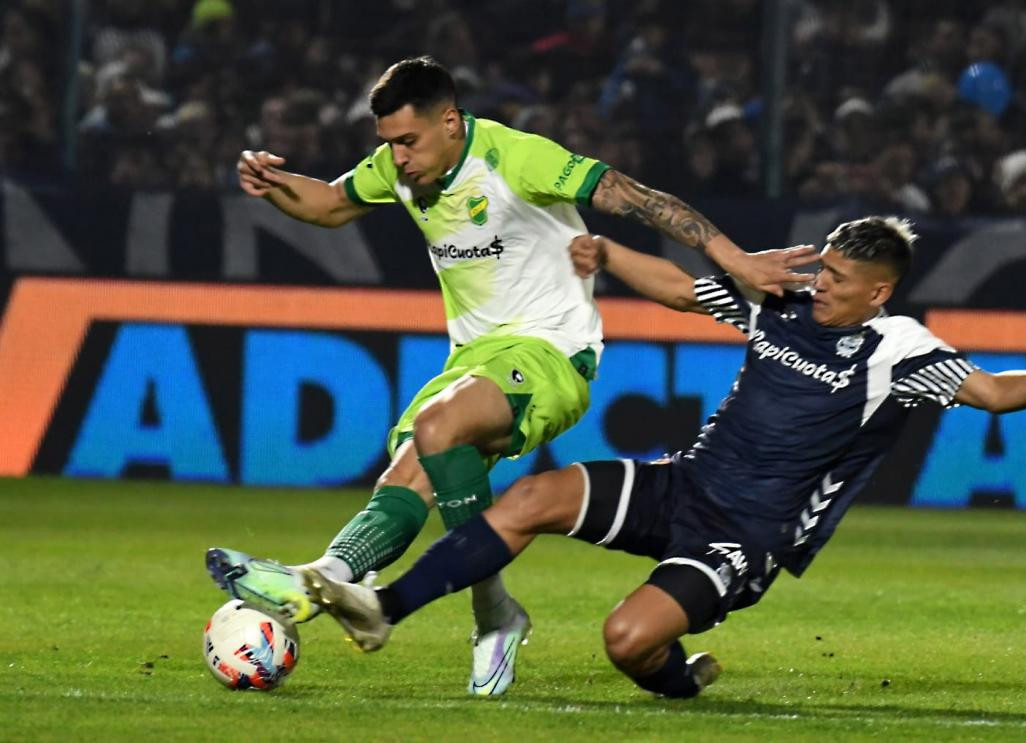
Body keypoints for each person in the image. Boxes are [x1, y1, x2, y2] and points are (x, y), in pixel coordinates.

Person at [300, 216, 1026, 698]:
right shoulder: (783, 298)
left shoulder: (896, 347)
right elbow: (687, 289)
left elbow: (991, 393)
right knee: (532, 498)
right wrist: (608, 256)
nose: (821, 281)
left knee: (627, 642)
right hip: (684, 482)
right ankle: (383, 610)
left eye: (839, 277)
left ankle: (681, 678)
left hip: (745, 535)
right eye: (823, 265)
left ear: (879, 292)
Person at [205, 55, 813, 696]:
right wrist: (274, 182)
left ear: (450, 121)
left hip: (553, 352)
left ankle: (412, 593)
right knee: (412, 467)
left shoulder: (517, 157)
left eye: (409, 142)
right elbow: (330, 204)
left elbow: (640, 201)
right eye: (388, 144)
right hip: (472, 358)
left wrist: (734, 258)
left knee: (439, 429)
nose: (399, 158)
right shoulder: (400, 167)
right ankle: (442, 599)